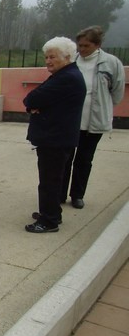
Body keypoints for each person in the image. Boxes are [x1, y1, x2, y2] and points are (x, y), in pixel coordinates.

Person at [23, 37, 86, 233]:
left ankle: (48, 220)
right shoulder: (64, 75)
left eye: (52, 57)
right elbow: (35, 100)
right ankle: (51, 212)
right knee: (53, 179)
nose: (48, 61)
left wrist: (35, 105)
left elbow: (31, 98)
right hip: (57, 137)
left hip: (55, 138)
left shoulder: (67, 78)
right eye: (46, 57)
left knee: (49, 181)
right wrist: (35, 106)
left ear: (67, 57)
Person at [61, 26, 126, 210]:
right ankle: (60, 193)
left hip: (93, 123)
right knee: (64, 159)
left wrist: (101, 108)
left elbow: (117, 92)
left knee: (84, 159)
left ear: (97, 45)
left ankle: (77, 195)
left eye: (86, 45)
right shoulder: (71, 61)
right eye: (79, 45)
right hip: (70, 121)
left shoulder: (111, 63)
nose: (81, 49)